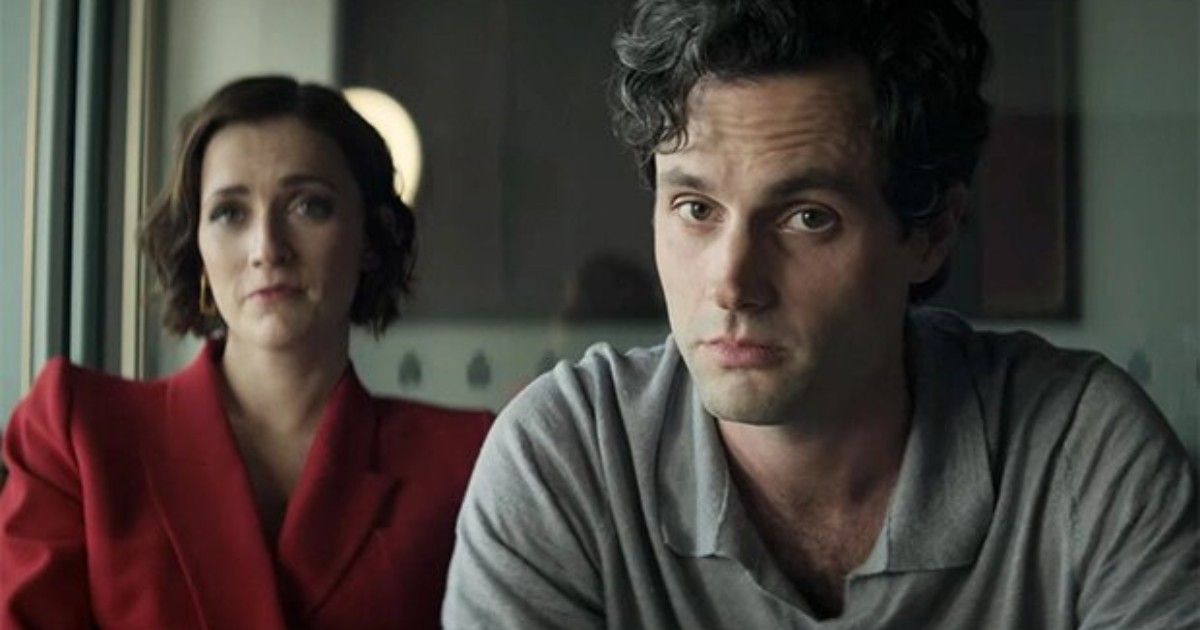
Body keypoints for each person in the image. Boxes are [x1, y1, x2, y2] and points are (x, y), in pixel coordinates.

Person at [442, 1, 1199, 628]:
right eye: (696, 208)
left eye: (808, 217)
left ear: (931, 233)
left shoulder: (1080, 450)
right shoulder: (568, 458)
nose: (732, 284)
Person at [0, 76, 491, 629]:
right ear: (197, 249)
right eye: (230, 213)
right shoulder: (78, 431)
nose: (267, 249)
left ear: (370, 241)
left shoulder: (469, 458)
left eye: (309, 206)